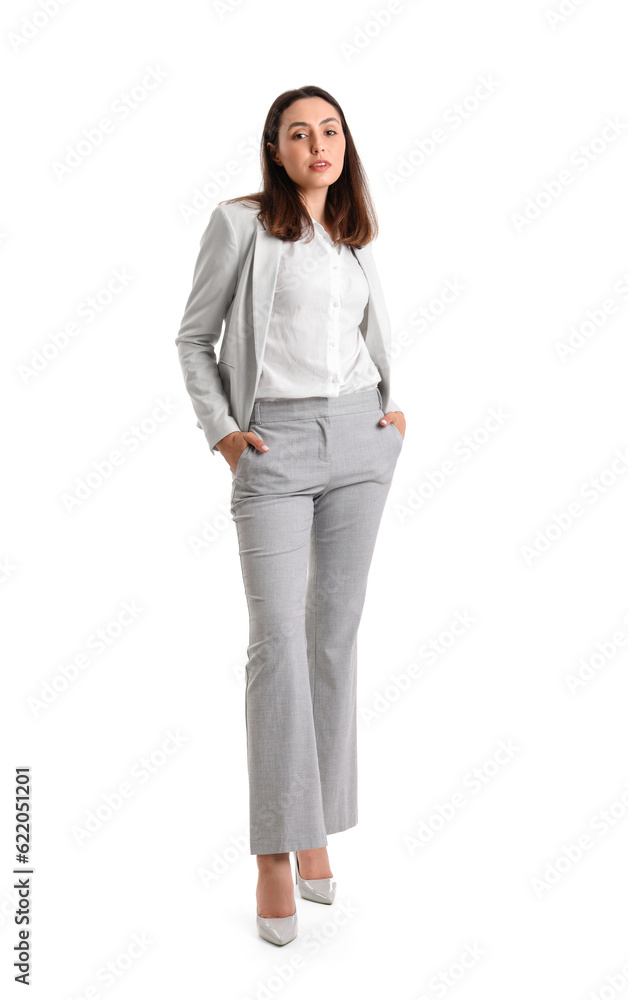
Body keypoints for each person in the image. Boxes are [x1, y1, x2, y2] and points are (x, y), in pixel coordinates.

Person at [175, 85, 405, 946]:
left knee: (333, 639)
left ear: (346, 141)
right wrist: (226, 434)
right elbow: (194, 337)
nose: (319, 145)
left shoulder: (351, 233)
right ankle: (276, 846)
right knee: (276, 644)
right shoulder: (241, 224)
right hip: (271, 444)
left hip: (359, 439)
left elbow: (364, 335)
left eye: (331, 130)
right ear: (276, 149)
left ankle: (314, 823)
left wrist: (392, 413)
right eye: (300, 134)